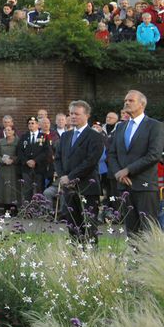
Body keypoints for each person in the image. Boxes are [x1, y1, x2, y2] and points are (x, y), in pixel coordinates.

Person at [107, 90, 164, 235]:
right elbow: (112, 154)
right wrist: (118, 173)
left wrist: (128, 170)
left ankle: (149, 258)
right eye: (125, 100)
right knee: (131, 231)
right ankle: (134, 257)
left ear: (142, 104)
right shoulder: (120, 127)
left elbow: (154, 155)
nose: (126, 102)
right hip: (124, 186)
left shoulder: (154, 126)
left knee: (148, 231)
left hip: (144, 186)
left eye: (131, 100)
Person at [53, 100, 104, 244]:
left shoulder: (95, 136)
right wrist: (63, 176)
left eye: (77, 114)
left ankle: (91, 259)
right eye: (71, 113)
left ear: (87, 115)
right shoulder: (65, 136)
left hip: (87, 187)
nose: (73, 116)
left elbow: (90, 161)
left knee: (88, 225)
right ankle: (75, 259)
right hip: (68, 188)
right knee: (72, 225)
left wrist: (70, 177)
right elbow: (58, 158)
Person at [16, 116, 51, 202]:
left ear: (38, 125)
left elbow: (46, 152)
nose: (30, 125)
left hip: (39, 168)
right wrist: (26, 161)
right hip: (26, 168)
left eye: (33, 123)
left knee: (39, 189)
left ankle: (39, 210)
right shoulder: (23, 137)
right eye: (29, 123)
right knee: (27, 190)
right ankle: (28, 210)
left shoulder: (44, 137)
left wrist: (35, 161)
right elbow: (19, 151)